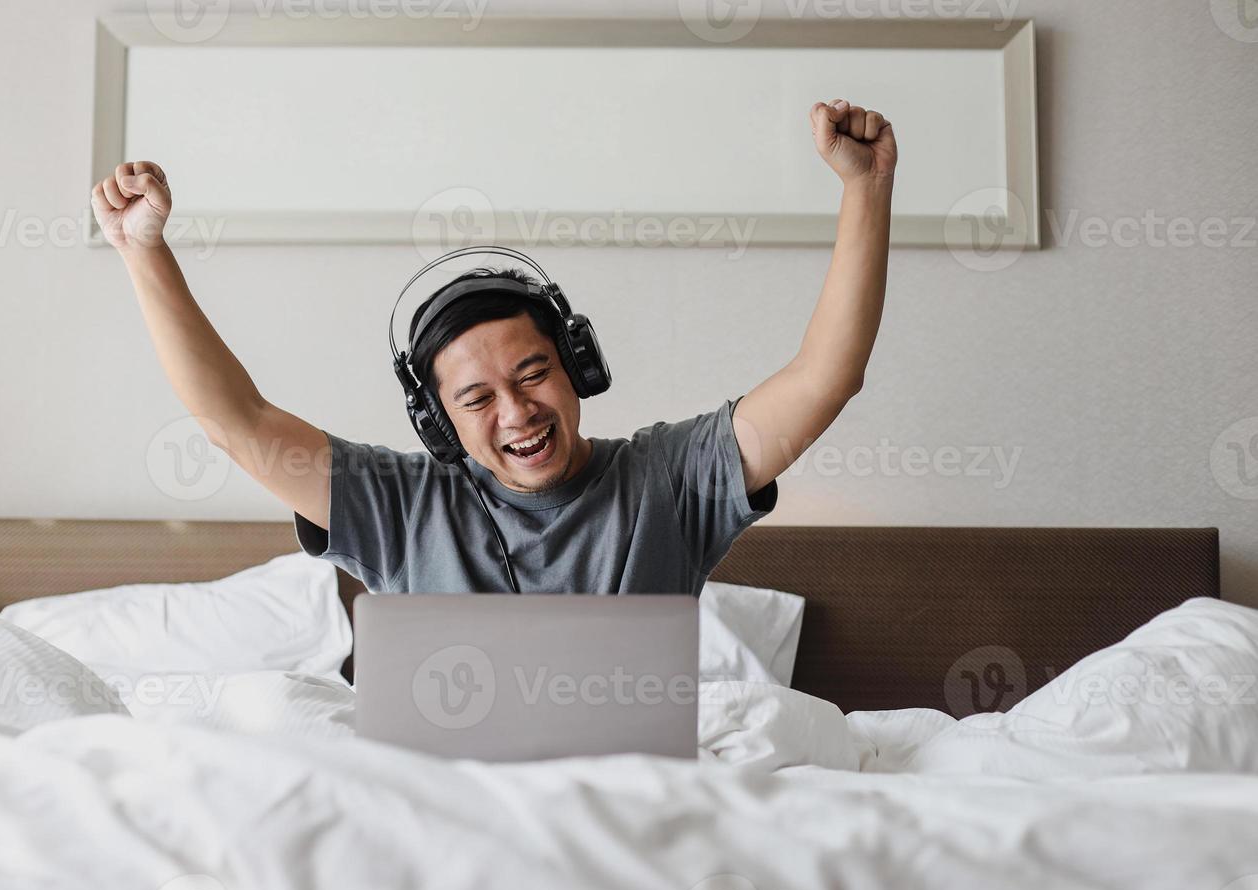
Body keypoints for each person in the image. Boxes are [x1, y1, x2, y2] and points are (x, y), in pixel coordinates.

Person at [92, 98, 896, 602]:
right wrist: (143, 250)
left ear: (577, 366)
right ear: (438, 421)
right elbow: (237, 422)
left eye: (533, 372)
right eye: (475, 399)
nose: (517, 412)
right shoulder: (399, 506)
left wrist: (864, 189)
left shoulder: (671, 479)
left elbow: (827, 377)